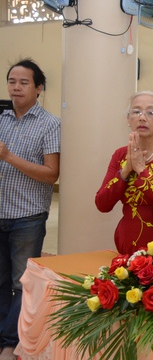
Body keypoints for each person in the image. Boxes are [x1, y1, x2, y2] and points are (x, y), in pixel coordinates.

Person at [0, 59, 60, 360]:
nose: (16, 87)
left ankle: (10, 342)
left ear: (39, 88)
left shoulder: (50, 124)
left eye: (24, 82)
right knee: (0, 281)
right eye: (12, 81)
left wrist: (8, 156)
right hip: (0, 210)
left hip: (28, 216)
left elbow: (51, 174)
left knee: (21, 282)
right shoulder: (1, 118)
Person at [95, 91, 153, 255]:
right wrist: (125, 170)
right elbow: (102, 204)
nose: (142, 118)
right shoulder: (120, 155)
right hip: (128, 239)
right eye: (136, 112)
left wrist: (141, 171)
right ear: (128, 119)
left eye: (151, 112)